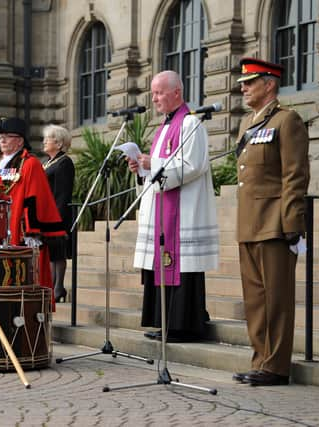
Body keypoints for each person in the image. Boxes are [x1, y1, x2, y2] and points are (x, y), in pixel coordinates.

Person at [232, 58, 310, 386]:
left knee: (276, 299)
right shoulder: (248, 124)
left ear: (269, 84)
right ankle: (260, 359)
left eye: (250, 82)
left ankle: (276, 367)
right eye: (243, 83)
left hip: (276, 224)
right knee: (255, 300)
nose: (243, 88)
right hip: (249, 223)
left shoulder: (287, 121)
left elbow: (295, 176)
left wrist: (293, 222)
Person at [128, 70, 219, 342]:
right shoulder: (164, 127)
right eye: (153, 93)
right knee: (161, 265)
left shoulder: (191, 124)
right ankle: (166, 323)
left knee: (180, 266)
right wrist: (141, 168)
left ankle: (184, 326)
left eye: (158, 92)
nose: (154, 98)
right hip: (162, 210)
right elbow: (158, 170)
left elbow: (192, 167)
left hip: (183, 213)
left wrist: (151, 164)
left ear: (176, 92)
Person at [0, 117, 66, 297]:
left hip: (22, 232)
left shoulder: (30, 163)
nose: (2, 140)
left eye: (7, 136)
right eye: (1, 136)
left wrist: (31, 233)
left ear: (19, 141)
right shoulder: (1, 164)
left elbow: (36, 198)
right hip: (2, 230)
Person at [42, 124, 75, 303]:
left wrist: (58, 219)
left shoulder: (64, 162)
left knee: (58, 253)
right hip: (45, 214)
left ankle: (58, 287)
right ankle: (52, 286)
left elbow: (63, 193)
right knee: (50, 253)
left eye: (49, 138)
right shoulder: (46, 162)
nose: (45, 141)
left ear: (60, 143)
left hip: (58, 214)